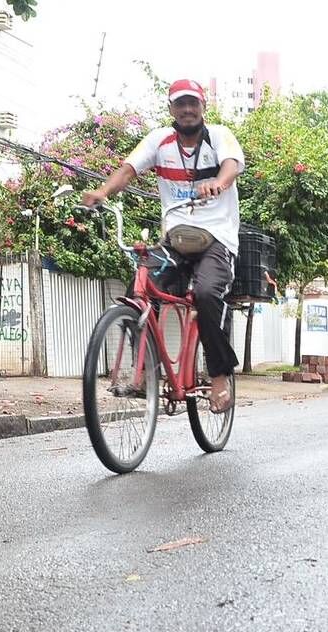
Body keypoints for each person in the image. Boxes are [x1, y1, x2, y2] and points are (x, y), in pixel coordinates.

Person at [82, 78, 244, 413]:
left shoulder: (219, 136)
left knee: (206, 294)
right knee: (139, 292)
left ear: (203, 107)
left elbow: (231, 166)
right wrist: (101, 193)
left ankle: (219, 376)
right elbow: (128, 170)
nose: (187, 110)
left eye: (193, 104)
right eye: (180, 104)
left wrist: (218, 182)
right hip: (176, 239)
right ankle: (146, 372)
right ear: (171, 109)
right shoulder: (160, 140)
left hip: (216, 238)